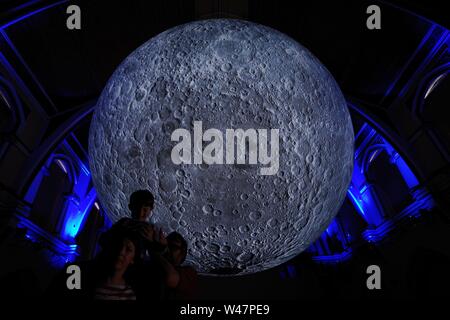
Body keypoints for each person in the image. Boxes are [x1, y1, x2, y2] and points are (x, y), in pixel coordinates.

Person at [155, 231, 198, 300]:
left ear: (182, 253)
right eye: (166, 246)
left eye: (173, 247)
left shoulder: (189, 272)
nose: (167, 249)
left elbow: (170, 277)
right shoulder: (155, 267)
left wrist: (155, 252)